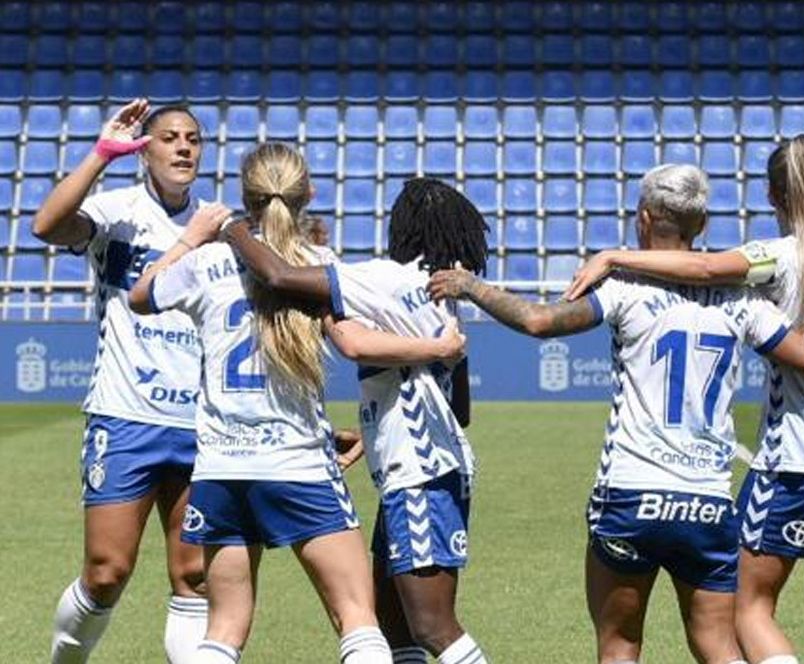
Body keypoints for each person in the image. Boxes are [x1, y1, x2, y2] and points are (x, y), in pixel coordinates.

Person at [426, 163, 804, 664]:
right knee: (718, 644)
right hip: (706, 502)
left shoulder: (624, 287)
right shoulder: (743, 297)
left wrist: (471, 287)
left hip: (632, 494)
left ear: (644, 217)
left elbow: (539, 321)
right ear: (702, 225)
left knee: (620, 647)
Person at [564, 137, 804, 664]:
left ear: (775, 195)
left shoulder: (778, 256)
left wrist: (614, 255)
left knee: (750, 610)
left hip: (796, 457)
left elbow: (705, 270)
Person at [128, 144, 466, 663]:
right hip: (298, 461)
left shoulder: (208, 261)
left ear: (246, 194)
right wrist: (439, 350)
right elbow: (354, 341)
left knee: (223, 628)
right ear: (307, 193)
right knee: (357, 616)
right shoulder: (319, 266)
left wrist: (191, 238)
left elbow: (140, 296)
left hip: (222, 465)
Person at [223, 177, 491, 664]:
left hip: (418, 473)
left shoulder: (386, 278)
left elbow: (279, 277)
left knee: (433, 625)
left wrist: (232, 229)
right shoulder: (441, 296)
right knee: (396, 625)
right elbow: (461, 412)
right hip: (427, 466)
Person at [33, 98, 223, 663]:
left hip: (201, 422)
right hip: (125, 415)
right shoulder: (117, 211)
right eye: (169, 137)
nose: (184, 146)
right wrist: (100, 154)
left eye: (193, 138)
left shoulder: (217, 223)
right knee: (107, 571)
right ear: (144, 151)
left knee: (194, 574)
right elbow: (47, 225)